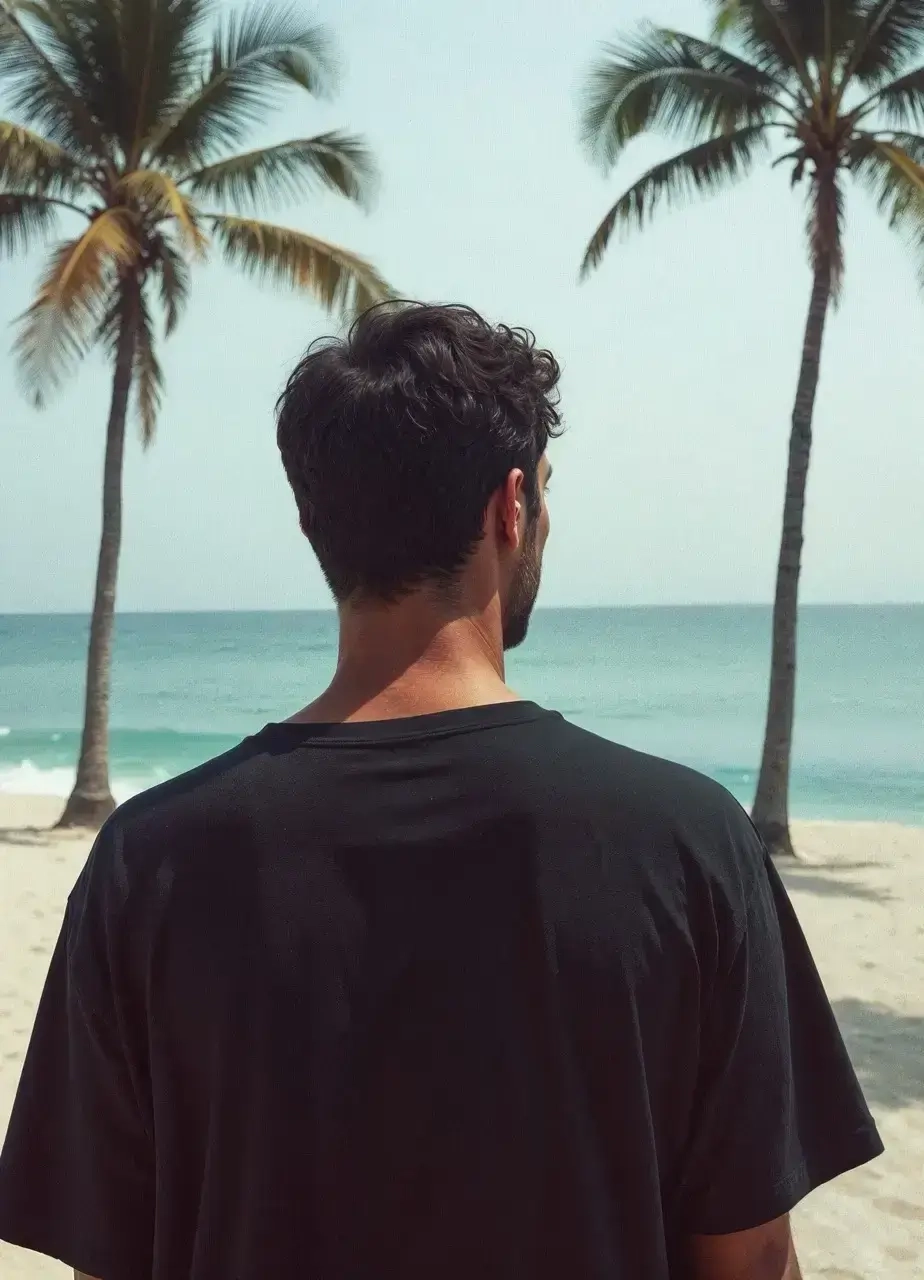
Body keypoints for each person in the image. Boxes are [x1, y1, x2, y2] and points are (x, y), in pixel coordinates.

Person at [0, 302, 881, 1280]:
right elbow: (751, 1258)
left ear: (316, 522)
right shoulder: (689, 845)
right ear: (512, 507)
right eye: (545, 493)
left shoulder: (149, 864)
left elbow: (106, 1259)